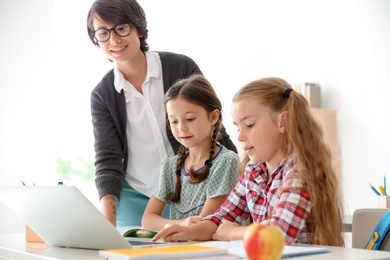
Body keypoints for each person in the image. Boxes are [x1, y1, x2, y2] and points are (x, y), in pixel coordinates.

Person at [86, 0, 237, 227]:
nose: (114, 39)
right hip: (136, 194)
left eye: (121, 28)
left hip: (194, 188)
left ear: (137, 27)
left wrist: (242, 177)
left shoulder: (181, 67)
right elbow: (108, 158)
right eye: (103, 33)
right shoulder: (103, 94)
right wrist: (107, 218)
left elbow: (214, 125)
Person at [153, 77, 344, 246]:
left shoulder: (300, 170)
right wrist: (188, 232)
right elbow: (223, 217)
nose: (241, 137)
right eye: (237, 127)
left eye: (249, 125)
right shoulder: (254, 171)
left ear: (282, 122)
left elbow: (281, 233)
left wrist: (233, 233)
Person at [142, 74, 240, 231]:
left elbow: (204, 224)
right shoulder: (170, 166)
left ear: (213, 117)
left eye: (190, 119)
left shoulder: (226, 162)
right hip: (182, 247)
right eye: (174, 121)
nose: (181, 128)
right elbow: (147, 220)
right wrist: (181, 223)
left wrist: (173, 225)